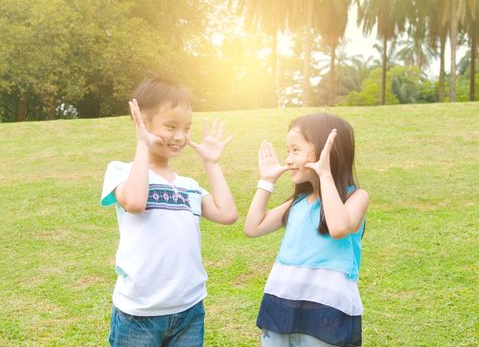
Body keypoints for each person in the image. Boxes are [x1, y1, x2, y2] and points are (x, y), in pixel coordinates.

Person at [101, 76, 238, 347]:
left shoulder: (188, 187)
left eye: (186, 128)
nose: (179, 137)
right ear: (140, 122)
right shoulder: (121, 172)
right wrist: (142, 144)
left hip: (189, 309)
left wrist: (211, 163)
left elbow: (227, 214)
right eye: (171, 126)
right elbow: (136, 202)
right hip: (140, 313)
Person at [244, 113, 369, 347]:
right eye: (287, 151)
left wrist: (325, 173)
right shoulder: (298, 202)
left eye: (295, 150)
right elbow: (253, 227)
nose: (288, 160)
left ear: (326, 152)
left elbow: (339, 227)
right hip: (281, 303)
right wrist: (266, 181)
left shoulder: (356, 197)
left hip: (326, 309)